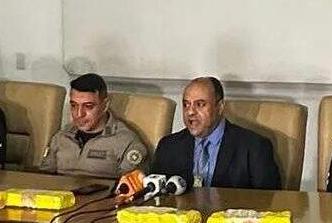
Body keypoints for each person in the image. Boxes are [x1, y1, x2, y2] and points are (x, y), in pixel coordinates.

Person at [150, 76, 280, 189]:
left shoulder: (254, 147)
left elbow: (268, 202)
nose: (190, 112)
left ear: (220, 107)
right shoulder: (168, 147)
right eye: (186, 105)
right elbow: (156, 201)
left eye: (200, 104)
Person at [38, 73, 147, 177]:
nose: (79, 114)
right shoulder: (62, 136)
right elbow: (43, 178)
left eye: (88, 106)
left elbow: (131, 186)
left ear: (105, 105)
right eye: (74, 105)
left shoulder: (126, 142)